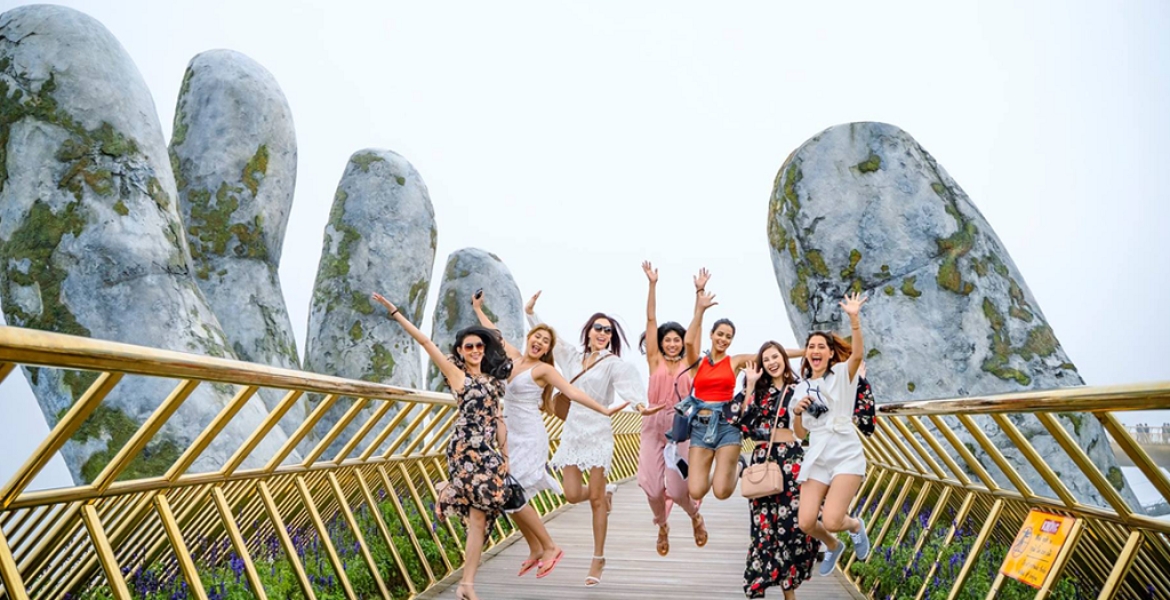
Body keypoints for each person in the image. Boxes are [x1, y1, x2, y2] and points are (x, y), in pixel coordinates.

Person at [470, 291, 628, 579]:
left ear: (547, 350)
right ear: (529, 338)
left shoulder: (544, 370)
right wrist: (477, 308)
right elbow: (494, 335)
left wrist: (604, 411)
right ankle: (535, 548)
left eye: (545, 341)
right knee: (508, 492)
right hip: (510, 437)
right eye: (536, 337)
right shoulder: (515, 360)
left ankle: (549, 547)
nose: (539, 342)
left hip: (531, 436)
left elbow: (573, 393)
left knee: (511, 489)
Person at [372, 292, 508, 600]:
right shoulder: (457, 375)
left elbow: (499, 419)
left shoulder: (493, 381)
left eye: (479, 346)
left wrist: (505, 455)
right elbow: (425, 343)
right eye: (469, 346)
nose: (475, 350)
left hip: (489, 451)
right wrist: (395, 312)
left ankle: (448, 495)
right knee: (477, 515)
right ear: (460, 351)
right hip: (464, 451)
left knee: (486, 512)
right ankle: (468, 584)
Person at [526, 291, 663, 587]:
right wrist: (530, 312)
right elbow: (551, 339)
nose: (602, 333)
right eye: (598, 328)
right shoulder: (573, 358)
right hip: (574, 431)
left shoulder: (613, 363)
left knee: (596, 502)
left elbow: (629, 387)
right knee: (573, 493)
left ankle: (598, 558)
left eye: (608, 330)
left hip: (599, 432)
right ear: (587, 332)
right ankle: (607, 490)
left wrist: (642, 406)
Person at [681, 269, 802, 503]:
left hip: (727, 425)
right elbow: (688, 340)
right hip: (700, 426)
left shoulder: (734, 361)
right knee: (695, 491)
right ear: (712, 334)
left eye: (728, 336)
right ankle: (719, 469)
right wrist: (700, 302)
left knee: (722, 492)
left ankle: (737, 464)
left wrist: (809, 350)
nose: (724, 339)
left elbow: (773, 353)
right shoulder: (697, 362)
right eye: (720, 334)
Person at [792, 292, 872, 577]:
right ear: (807, 353)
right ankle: (832, 545)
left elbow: (858, 354)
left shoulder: (842, 374)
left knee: (835, 518)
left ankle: (855, 526)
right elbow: (801, 434)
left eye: (820, 347)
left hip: (845, 452)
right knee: (805, 522)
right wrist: (798, 413)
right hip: (817, 456)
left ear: (828, 353)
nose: (815, 351)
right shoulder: (799, 390)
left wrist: (854, 319)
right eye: (810, 346)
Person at [637, 261, 706, 556]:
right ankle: (662, 525)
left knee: (678, 491)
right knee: (651, 488)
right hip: (653, 430)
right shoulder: (655, 361)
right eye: (668, 340)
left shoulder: (692, 363)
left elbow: (696, 330)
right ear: (661, 344)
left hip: (681, 432)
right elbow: (651, 319)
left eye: (678, 340)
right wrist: (652, 285)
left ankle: (694, 516)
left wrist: (699, 298)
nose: (674, 344)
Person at [738, 342, 817, 599]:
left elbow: (806, 430)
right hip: (763, 461)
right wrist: (750, 384)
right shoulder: (757, 391)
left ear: (784, 358)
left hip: (792, 460)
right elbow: (742, 423)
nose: (772, 362)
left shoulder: (799, 389)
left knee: (792, 525)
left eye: (776, 357)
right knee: (765, 528)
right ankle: (762, 587)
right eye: (767, 358)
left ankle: (789, 589)